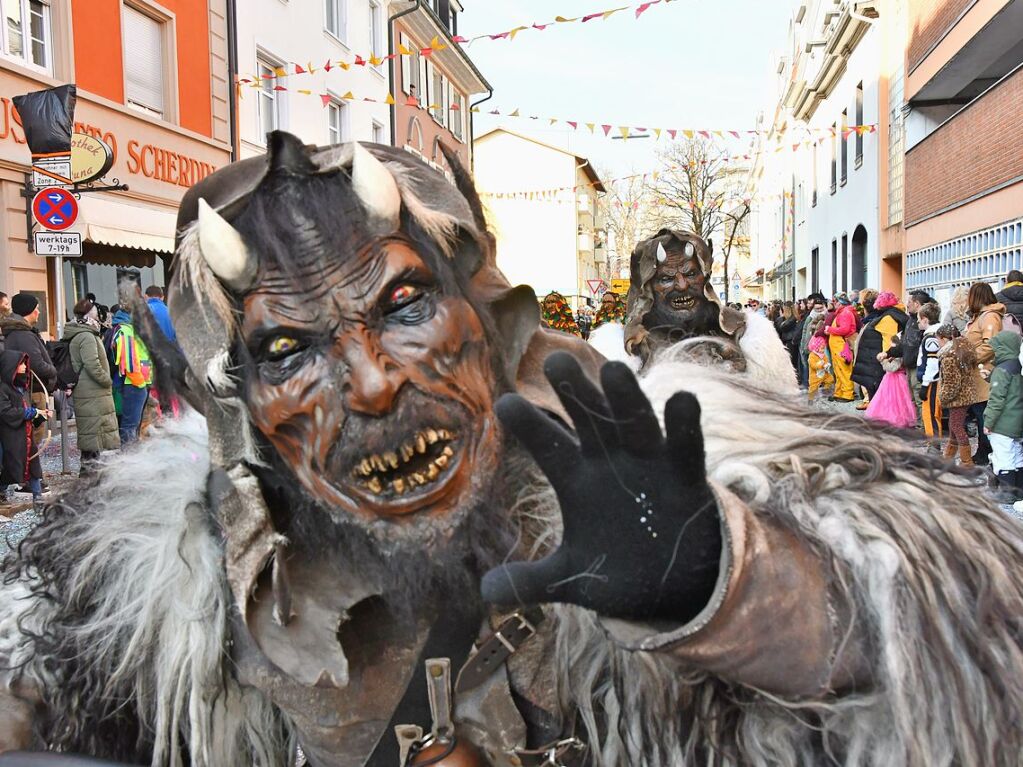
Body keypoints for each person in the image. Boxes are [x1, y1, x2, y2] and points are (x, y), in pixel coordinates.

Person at [7, 134, 1023, 766]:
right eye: (287, 348)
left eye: (403, 306)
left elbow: (970, 667)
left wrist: (735, 587)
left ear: (488, 320)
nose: (369, 385)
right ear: (240, 408)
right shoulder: (178, 596)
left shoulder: (698, 468)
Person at [622, 230, 795, 389]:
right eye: (666, 278)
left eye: (691, 274)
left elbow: (785, 409)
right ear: (647, 289)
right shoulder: (628, 351)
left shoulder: (749, 335)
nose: (682, 286)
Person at [1, 293, 57, 473]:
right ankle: (30, 477)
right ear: (29, 311)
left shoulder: (16, 332)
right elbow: (37, 364)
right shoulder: (23, 334)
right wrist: (53, 370)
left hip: (28, 389)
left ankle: (30, 477)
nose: (39, 312)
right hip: (32, 390)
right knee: (32, 437)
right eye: (37, 309)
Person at [63, 299, 119, 475]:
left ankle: (89, 472)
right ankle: (90, 474)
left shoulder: (82, 333)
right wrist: (107, 380)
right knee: (93, 434)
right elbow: (92, 364)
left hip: (89, 392)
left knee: (91, 433)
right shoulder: (86, 336)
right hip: (92, 392)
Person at [963, 282, 1005, 466]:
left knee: (984, 417)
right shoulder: (980, 316)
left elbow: (991, 344)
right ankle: (983, 450)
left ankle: (986, 452)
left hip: (985, 374)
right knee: (981, 415)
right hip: (978, 374)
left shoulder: (989, 317)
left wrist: (968, 357)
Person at [0, 351, 47, 509]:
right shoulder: (3, 389)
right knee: (10, 466)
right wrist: (30, 413)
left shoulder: (22, 387)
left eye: (24, 363)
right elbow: (6, 412)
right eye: (20, 363)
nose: (24, 366)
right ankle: (1, 492)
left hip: (25, 434)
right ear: (10, 367)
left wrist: (40, 416)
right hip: (11, 436)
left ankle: (38, 497)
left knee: (33, 465)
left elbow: (27, 411)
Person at [983, 331, 1023, 500]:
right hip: (1017, 422)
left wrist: (988, 422)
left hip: (1002, 424)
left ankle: (1006, 494)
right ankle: (1019, 491)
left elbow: (997, 400)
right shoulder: (1019, 366)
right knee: (1017, 455)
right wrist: (991, 377)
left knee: (1003, 456)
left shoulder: (1001, 370)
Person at [851, 291, 908, 411]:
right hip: (875, 362)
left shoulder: (888, 318)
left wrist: (886, 358)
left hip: (877, 365)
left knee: (880, 397)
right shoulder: (891, 315)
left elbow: (889, 340)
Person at [108, 304, 153, 446]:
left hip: (136, 382)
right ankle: (128, 462)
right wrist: (140, 384)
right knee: (130, 426)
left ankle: (131, 460)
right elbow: (129, 362)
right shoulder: (126, 331)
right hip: (133, 383)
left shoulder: (129, 329)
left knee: (133, 425)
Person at [937, 323, 977, 465]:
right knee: (954, 424)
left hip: (957, 397)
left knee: (956, 427)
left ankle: (967, 462)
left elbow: (951, 382)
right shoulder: (962, 349)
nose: (938, 344)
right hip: (966, 395)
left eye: (939, 340)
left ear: (944, 339)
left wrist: (943, 398)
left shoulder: (949, 356)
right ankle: (948, 456)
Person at [864, 333, 917, 430]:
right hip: (895, 379)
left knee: (894, 400)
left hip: (896, 379)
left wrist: (883, 361)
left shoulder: (898, 356)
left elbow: (892, 368)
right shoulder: (899, 354)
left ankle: (894, 419)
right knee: (898, 400)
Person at [915, 302, 944, 443]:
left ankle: (934, 445)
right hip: (936, 380)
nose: (917, 322)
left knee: (931, 413)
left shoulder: (931, 337)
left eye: (919, 319)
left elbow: (932, 363)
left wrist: (925, 385)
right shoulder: (937, 334)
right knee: (934, 412)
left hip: (932, 382)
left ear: (925, 319)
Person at [902, 290, 932, 412]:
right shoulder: (910, 320)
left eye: (909, 301)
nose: (907, 304)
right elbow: (905, 342)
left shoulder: (924, 323)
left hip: (918, 366)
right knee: (912, 399)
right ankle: (917, 426)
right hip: (909, 364)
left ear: (917, 304)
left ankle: (923, 429)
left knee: (919, 399)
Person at [825, 291, 858, 401]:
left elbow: (845, 329)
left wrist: (830, 329)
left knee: (844, 370)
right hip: (838, 346)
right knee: (838, 370)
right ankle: (839, 392)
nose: (833, 303)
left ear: (840, 302)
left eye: (835, 301)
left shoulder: (845, 313)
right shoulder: (843, 312)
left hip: (841, 346)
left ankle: (847, 394)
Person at [796, 292, 827, 389]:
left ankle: (815, 385)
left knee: (817, 368)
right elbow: (805, 331)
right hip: (807, 345)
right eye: (816, 308)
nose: (818, 310)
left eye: (820, 308)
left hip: (819, 348)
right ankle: (808, 385)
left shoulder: (826, 317)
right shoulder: (810, 317)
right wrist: (803, 345)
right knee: (807, 366)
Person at [806, 329, 833, 403]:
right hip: (815, 375)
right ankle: (810, 399)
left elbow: (826, 360)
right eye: (821, 348)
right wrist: (819, 365)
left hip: (824, 373)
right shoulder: (812, 355)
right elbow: (812, 365)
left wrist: (827, 364)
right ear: (817, 348)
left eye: (824, 348)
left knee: (830, 379)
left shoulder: (823, 355)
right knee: (813, 387)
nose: (823, 350)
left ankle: (827, 392)